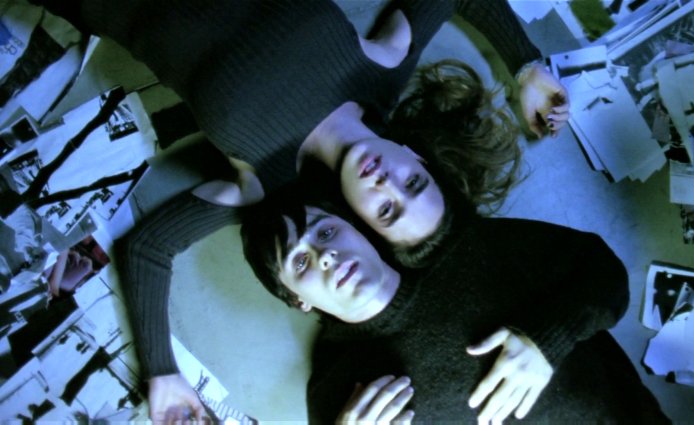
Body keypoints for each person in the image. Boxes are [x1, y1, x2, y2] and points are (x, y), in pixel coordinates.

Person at [35, 0, 570, 420]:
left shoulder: (271, 190)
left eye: (387, 210)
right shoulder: (382, 66)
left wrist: (162, 372)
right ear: (417, 157)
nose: (387, 182)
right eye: (413, 182)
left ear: (362, 224)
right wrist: (526, 66)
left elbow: (149, 248)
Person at [240, 188, 670, 423]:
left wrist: (546, 339)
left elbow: (603, 272)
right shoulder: (336, 389)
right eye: (300, 262)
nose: (324, 256)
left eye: (325, 232)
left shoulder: (467, 249)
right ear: (298, 300)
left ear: (355, 227)